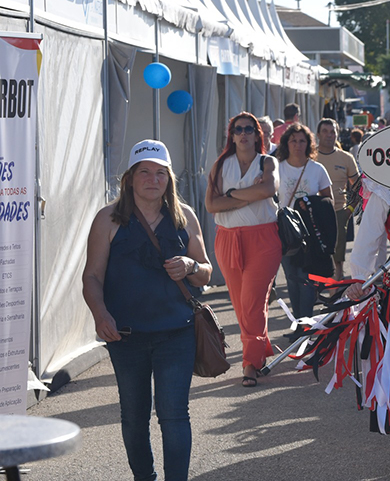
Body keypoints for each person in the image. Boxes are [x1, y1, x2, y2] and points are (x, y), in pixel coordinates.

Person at [83, 140, 212, 481]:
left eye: (160, 173)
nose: (152, 179)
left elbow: (207, 270)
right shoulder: (108, 219)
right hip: (127, 336)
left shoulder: (185, 217)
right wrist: (100, 314)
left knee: (173, 415)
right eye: (144, 172)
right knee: (134, 416)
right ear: (129, 178)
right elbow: (92, 276)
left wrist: (190, 264)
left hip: (177, 332)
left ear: (169, 179)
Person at [206, 113, 281, 388]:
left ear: (257, 134)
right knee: (242, 304)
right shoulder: (220, 165)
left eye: (249, 129)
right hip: (227, 239)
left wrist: (231, 196)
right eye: (238, 129)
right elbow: (211, 206)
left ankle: (249, 364)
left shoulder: (267, 161)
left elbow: (269, 189)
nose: (244, 133)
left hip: (262, 239)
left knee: (251, 301)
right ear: (232, 135)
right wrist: (249, 192)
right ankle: (260, 351)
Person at [275, 123, 333, 321]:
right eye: (293, 141)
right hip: (285, 232)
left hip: (310, 233)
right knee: (292, 279)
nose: (298, 145)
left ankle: (305, 324)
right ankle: (298, 322)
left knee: (306, 279)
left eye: (302, 141)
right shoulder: (277, 168)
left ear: (308, 144)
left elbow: (328, 199)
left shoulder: (317, 169)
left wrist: (310, 204)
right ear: (286, 143)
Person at [315, 119, 359, 281]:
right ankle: (315, 295)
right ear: (318, 134)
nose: (329, 135)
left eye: (332, 131)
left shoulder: (346, 158)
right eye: (325, 131)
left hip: (338, 213)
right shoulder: (309, 156)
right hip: (313, 213)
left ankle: (334, 300)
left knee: (337, 259)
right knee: (315, 258)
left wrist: (350, 210)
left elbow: (359, 188)